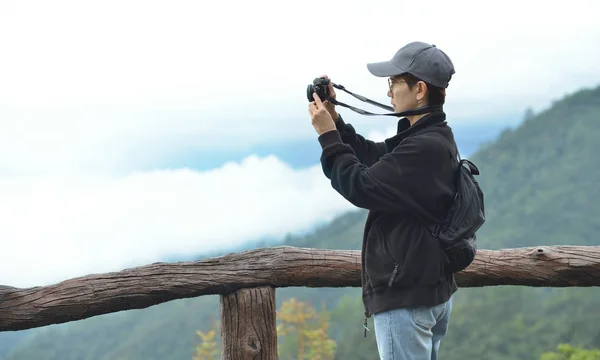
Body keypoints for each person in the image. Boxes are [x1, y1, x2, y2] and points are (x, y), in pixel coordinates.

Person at [308, 41, 459, 360]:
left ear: (419, 90)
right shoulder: (430, 138)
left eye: (393, 82)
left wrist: (327, 137)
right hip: (426, 290)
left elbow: (362, 185)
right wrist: (335, 121)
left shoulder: (424, 148)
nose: (389, 91)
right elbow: (375, 158)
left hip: (408, 296)